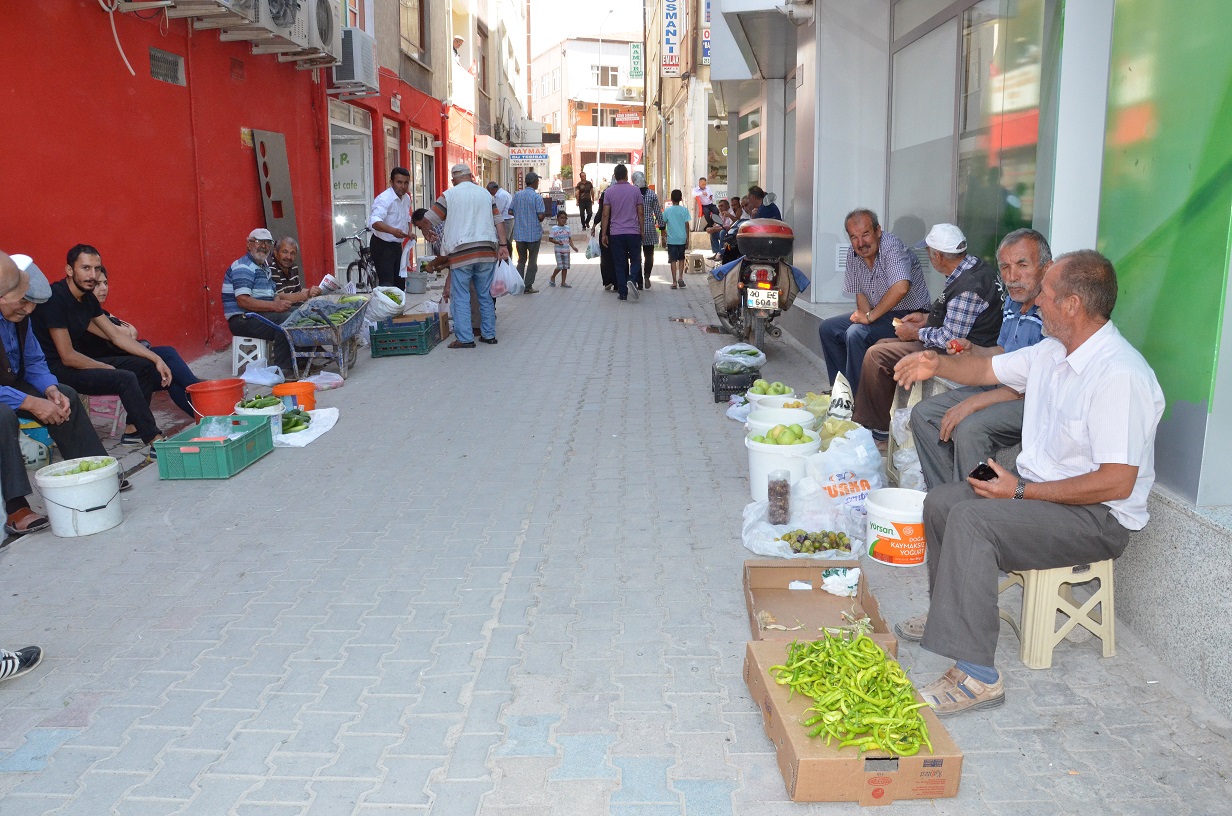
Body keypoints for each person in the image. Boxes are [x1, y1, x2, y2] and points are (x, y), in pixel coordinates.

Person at [890, 249, 1165, 717]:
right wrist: (935, 364)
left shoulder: (1118, 374)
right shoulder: (1055, 351)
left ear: (1074, 305)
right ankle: (952, 617)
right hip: (1045, 495)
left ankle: (979, 677)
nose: (1036, 301)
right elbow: (983, 370)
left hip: (1096, 517)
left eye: (1046, 295)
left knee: (975, 521)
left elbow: (1117, 483)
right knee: (940, 502)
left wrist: (1018, 491)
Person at [0, 252, 131, 537]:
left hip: (9, 382)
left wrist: (48, 389)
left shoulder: (20, 316)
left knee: (65, 394)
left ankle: (96, 474)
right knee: (3, 415)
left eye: (31, 304)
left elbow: (34, 362)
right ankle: (16, 507)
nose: (28, 311)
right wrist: (31, 402)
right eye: (22, 302)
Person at [910, 229, 1051, 488]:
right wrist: (972, 349)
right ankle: (946, 498)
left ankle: (974, 507)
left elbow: (1029, 384)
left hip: (1032, 400)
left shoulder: (1052, 312)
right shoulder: (1013, 301)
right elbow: (1001, 352)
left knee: (970, 428)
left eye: (1022, 265)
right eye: (1005, 267)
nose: (1012, 276)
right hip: (1002, 384)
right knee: (923, 414)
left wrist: (974, 402)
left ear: (1046, 267)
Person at [851, 223, 1003, 436]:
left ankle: (879, 430)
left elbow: (951, 338)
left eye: (929, 253)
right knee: (881, 345)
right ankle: (881, 418)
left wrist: (915, 333)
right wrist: (926, 318)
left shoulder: (968, 287)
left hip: (966, 353)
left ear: (938, 256)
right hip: (962, 341)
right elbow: (958, 316)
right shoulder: (972, 267)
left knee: (877, 355)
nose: (930, 258)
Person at [32, 245, 170, 450]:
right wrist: (104, 368)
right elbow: (67, 356)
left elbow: (114, 335)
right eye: (86, 268)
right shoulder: (55, 299)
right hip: (55, 370)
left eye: (96, 269)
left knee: (143, 366)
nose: (93, 275)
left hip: (76, 362)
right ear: (69, 270)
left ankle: (134, 430)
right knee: (124, 377)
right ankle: (155, 440)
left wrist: (155, 359)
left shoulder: (87, 298)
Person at [818, 209, 932, 392]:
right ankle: (842, 390)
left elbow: (901, 286)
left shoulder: (892, 247)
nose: (861, 243)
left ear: (878, 231)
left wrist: (869, 318)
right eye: (854, 237)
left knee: (856, 333)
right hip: (881, 314)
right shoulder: (853, 254)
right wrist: (865, 316)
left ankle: (857, 399)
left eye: (866, 234)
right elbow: (860, 293)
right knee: (828, 329)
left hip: (909, 316)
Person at [89, 266, 202, 429]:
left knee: (170, 378)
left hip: (125, 358)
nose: (104, 288)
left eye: (106, 283)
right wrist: (124, 332)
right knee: (168, 355)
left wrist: (124, 332)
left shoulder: (102, 312)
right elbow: (121, 334)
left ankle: (205, 416)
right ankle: (201, 393)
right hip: (108, 365)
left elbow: (132, 331)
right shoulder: (88, 316)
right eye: (98, 284)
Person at [425, 163, 510, 348]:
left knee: (461, 295)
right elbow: (499, 220)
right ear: (471, 176)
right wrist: (503, 245)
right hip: (487, 250)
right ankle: (489, 335)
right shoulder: (486, 194)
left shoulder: (449, 195)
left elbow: (430, 218)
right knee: (486, 295)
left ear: (453, 179)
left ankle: (465, 339)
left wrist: (426, 232)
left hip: (461, 252)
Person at [222, 229, 296, 376]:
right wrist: (275, 306)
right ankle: (284, 369)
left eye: (267, 243)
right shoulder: (243, 266)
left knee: (300, 313)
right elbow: (243, 301)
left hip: (260, 314)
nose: (263, 246)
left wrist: (278, 304)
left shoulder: (264, 267)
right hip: (243, 319)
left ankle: (301, 359)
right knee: (288, 320)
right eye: (258, 242)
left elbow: (273, 294)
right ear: (249, 244)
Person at [600, 164, 644, 302]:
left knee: (619, 263)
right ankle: (632, 278)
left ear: (615, 176)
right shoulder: (636, 191)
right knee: (636, 259)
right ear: (626, 175)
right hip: (633, 232)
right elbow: (640, 212)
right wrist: (642, 230)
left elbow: (605, 214)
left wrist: (603, 235)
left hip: (616, 233)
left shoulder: (609, 192)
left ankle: (623, 292)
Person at [368, 167, 412, 288]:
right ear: (391, 182)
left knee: (400, 283)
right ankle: (385, 306)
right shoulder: (384, 199)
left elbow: (406, 218)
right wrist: (393, 231)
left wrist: (410, 232)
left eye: (406, 183)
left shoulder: (407, 198)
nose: (403, 186)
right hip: (382, 245)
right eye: (399, 182)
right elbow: (375, 222)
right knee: (387, 284)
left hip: (397, 245)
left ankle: (398, 307)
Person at [510, 172, 546, 294]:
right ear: (535, 182)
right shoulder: (537, 197)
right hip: (533, 234)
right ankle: (528, 286)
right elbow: (541, 216)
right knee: (532, 260)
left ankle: (519, 284)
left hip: (520, 233)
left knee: (521, 260)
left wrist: (520, 215)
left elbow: (510, 211)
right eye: (537, 181)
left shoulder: (517, 195)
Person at [267, 237, 323, 303]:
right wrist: (307, 294)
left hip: (293, 306)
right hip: (281, 308)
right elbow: (281, 297)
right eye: (285, 252)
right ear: (276, 252)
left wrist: (314, 291)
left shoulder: (293, 266)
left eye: (292, 253)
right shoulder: (271, 268)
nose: (289, 257)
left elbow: (298, 291)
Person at [635, 171, 664, 288]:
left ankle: (639, 281)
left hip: (635, 227)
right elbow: (658, 212)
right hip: (649, 227)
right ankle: (647, 275)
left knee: (636, 255)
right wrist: (662, 227)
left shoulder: (633, 194)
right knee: (649, 254)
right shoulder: (652, 194)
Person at [662, 189, 691, 289]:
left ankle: (674, 281)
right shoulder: (684, 210)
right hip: (682, 238)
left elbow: (663, 223)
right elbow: (687, 224)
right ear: (681, 199)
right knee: (681, 258)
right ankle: (680, 277)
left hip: (672, 239)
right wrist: (687, 238)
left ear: (671, 199)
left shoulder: (667, 211)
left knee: (673, 260)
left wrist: (663, 237)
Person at [547, 211, 577, 288]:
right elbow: (550, 239)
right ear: (558, 219)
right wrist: (557, 242)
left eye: (565, 218)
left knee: (565, 266)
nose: (563, 220)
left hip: (566, 250)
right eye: (561, 218)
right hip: (558, 250)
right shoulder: (554, 228)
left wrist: (573, 247)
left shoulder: (567, 228)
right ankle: (553, 276)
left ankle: (563, 282)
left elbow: (569, 239)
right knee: (560, 266)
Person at [692, 177, 720, 256]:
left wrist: (711, 197)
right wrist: (701, 193)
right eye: (703, 184)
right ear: (699, 183)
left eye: (705, 184)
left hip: (710, 204)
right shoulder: (696, 190)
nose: (704, 185)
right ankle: (711, 225)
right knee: (706, 213)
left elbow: (712, 195)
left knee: (716, 211)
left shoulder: (708, 188)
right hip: (704, 206)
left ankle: (712, 224)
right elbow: (694, 195)